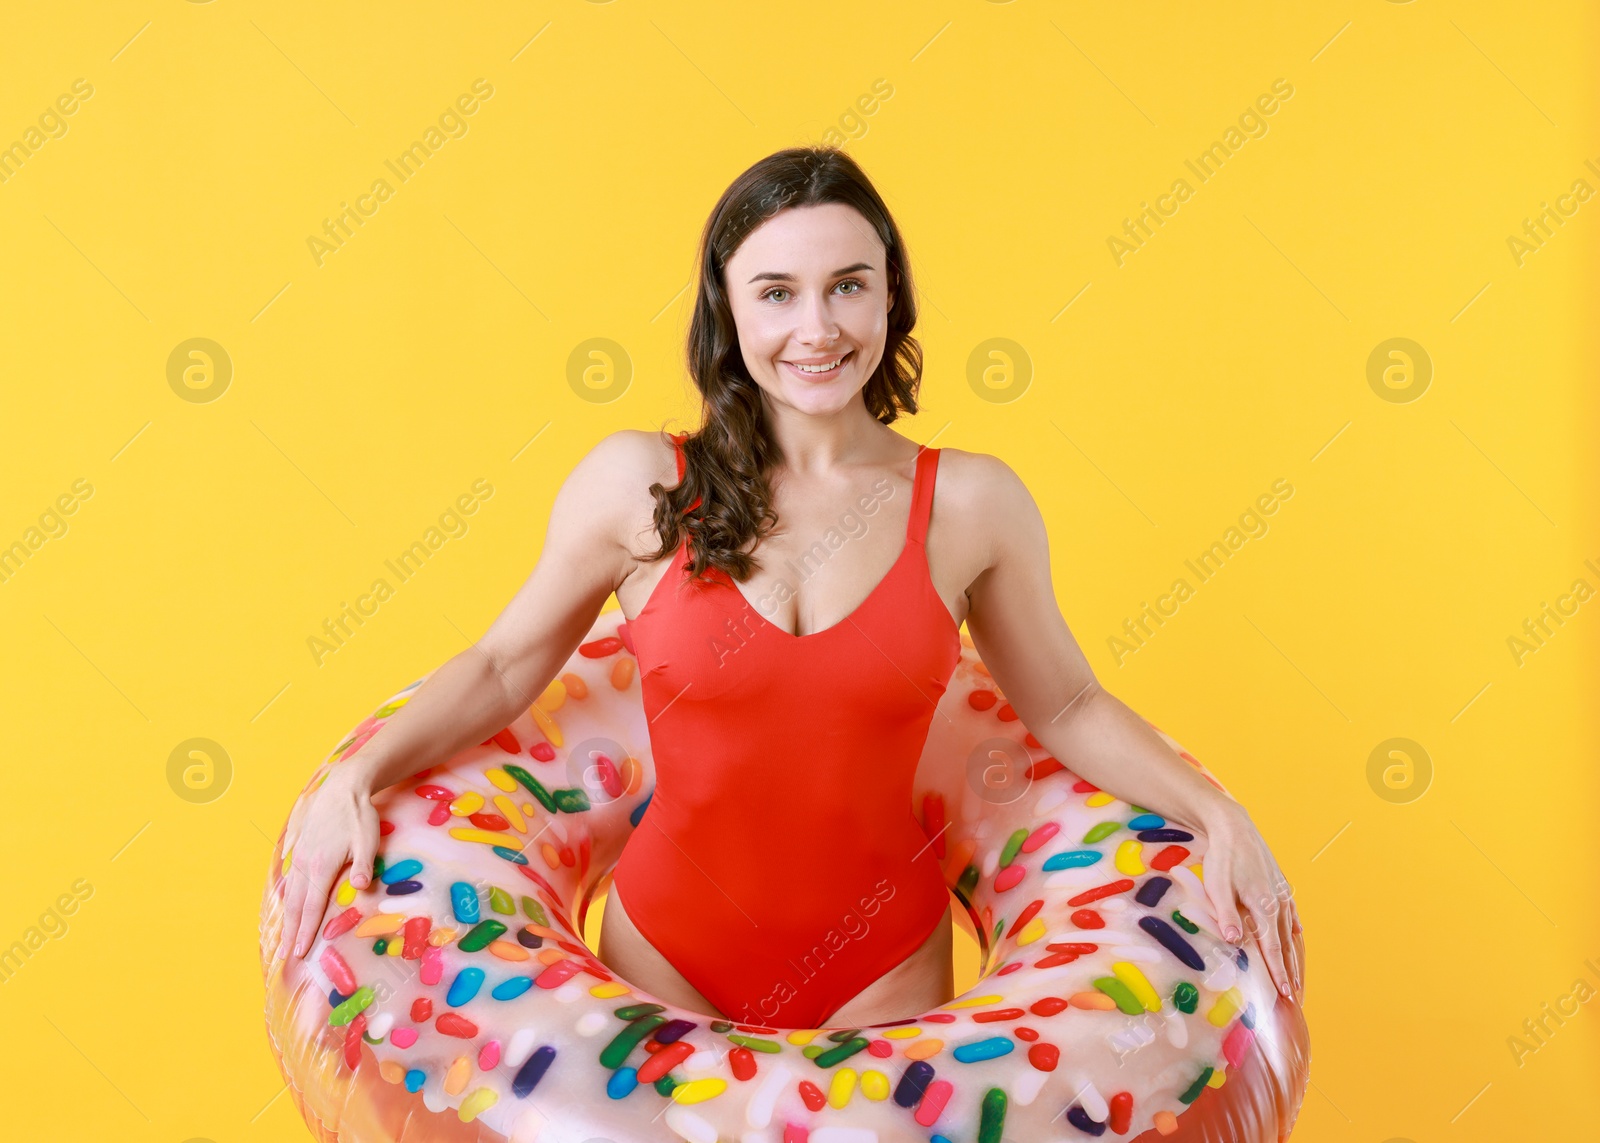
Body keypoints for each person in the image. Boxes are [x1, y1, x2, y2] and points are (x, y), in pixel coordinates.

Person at [277, 146, 1302, 1028]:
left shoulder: (969, 505)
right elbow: (503, 667)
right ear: (727, 306)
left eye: (848, 285)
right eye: (777, 293)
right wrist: (353, 778)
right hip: (666, 954)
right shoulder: (637, 485)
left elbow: (1069, 703)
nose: (817, 329)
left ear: (890, 293)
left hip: (881, 968)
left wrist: (1217, 816)